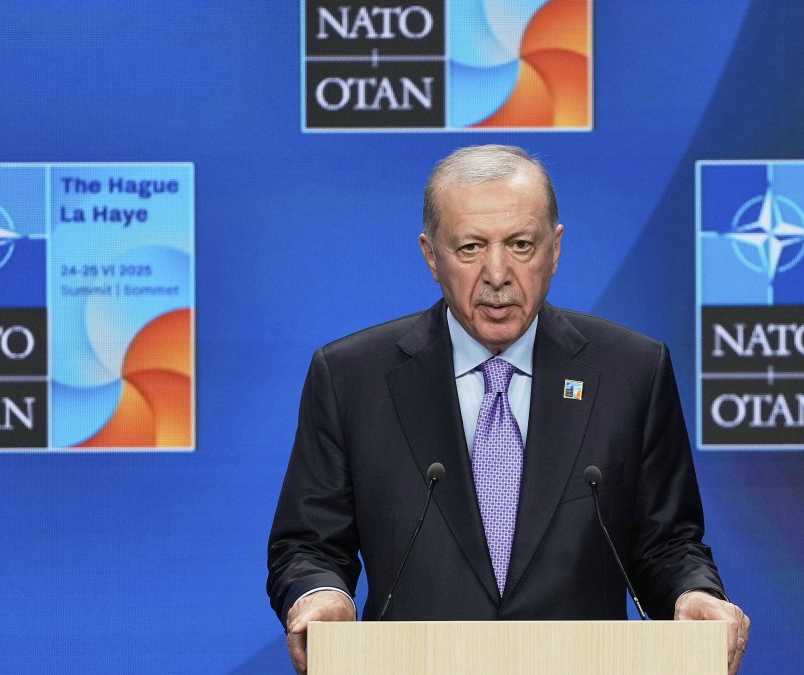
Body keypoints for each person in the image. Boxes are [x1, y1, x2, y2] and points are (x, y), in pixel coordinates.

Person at [267, 145, 750, 673]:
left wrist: (692, 595)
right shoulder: (352, 377)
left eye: (521, 245)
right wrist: (320, 595)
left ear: (555, 249)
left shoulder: (632, 371)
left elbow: (667, 544)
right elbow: (310, 544)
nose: (497, 273)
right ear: (431, 255)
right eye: (471, 247)